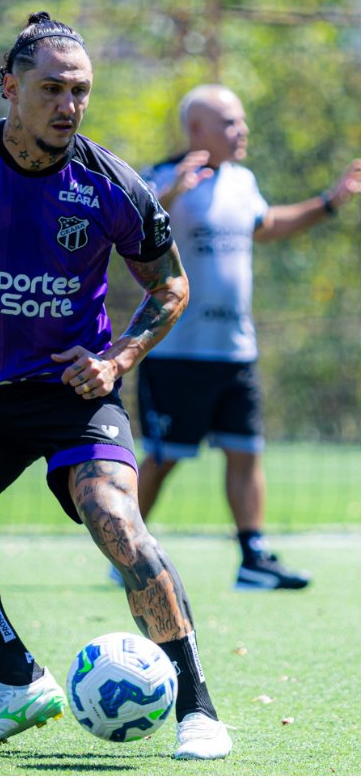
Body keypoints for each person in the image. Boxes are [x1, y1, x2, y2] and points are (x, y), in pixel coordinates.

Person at [0, 12, 231, 759]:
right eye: (52, 88)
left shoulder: (109, 183)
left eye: (80, 92)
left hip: (74, 392)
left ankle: (198, 707)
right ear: (9, 88)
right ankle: (18, 680)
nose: (68, 105)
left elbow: (170, 288)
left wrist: (118, 360)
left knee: (115, 520)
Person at [132, 84, 360, 590]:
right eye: (230, 122)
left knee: (246, 450)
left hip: (235, 349)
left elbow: (268, 223)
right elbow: (134, 228)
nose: (242, 131)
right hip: (176, 352)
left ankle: (253, 558)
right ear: (197, 130)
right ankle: (125, 547)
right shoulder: (162, 179)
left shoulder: (243, 181)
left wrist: (329, 202)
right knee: (166, 456)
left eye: (241, 121)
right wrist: (171, 194)